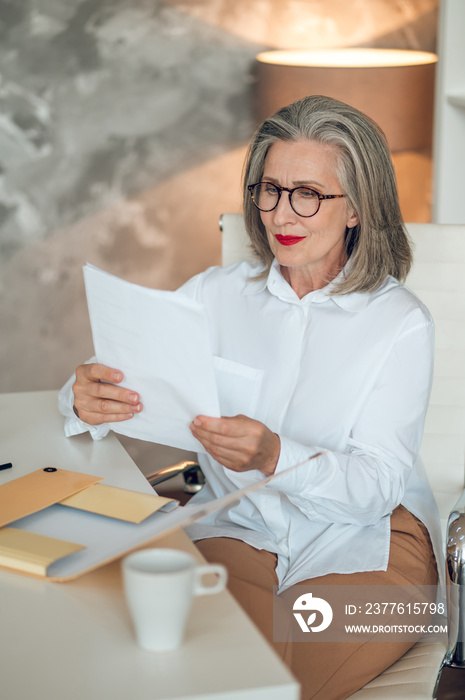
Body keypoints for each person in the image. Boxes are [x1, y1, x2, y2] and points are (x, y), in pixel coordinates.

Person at [59, 95, 442, 700]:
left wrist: (273, 456)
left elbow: (376, 485)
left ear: (358, 209)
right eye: (270, 189)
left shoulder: (401, 323)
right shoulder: (217, 293)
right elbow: (125, 380)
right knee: (199, 672)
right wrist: (83, 400)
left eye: (308, 194)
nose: (281, 213)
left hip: (372, 542)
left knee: (277, 683)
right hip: (240, 523)